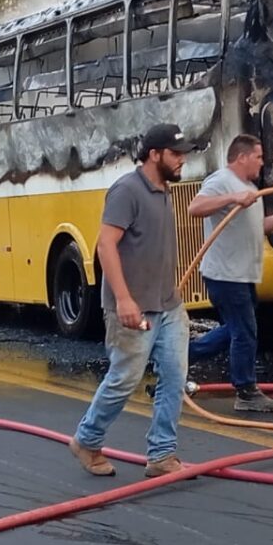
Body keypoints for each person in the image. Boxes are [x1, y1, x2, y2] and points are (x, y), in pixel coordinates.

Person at [69, 123, 194, 478]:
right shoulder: (127, 191)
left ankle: (162, 454)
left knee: (174, 377)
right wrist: (123, 300)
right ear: (154, 154)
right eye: (175, 153)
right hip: (133, 308)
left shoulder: (164, 190)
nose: (182, 159)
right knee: (125, 378)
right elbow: (106, 245)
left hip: (168, 306)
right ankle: (87, 439)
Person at [187, 134, 273, 412]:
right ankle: (245, 392)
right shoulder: (222, 181)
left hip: (242, 275)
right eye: (258, 156)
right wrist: (232, 197)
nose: (262, 162)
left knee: (238, 329)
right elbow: (194, 207)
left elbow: (261, 227)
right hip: (225, 274)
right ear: (242, 157)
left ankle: (180, 356)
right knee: (245, 332)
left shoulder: (249, 188)